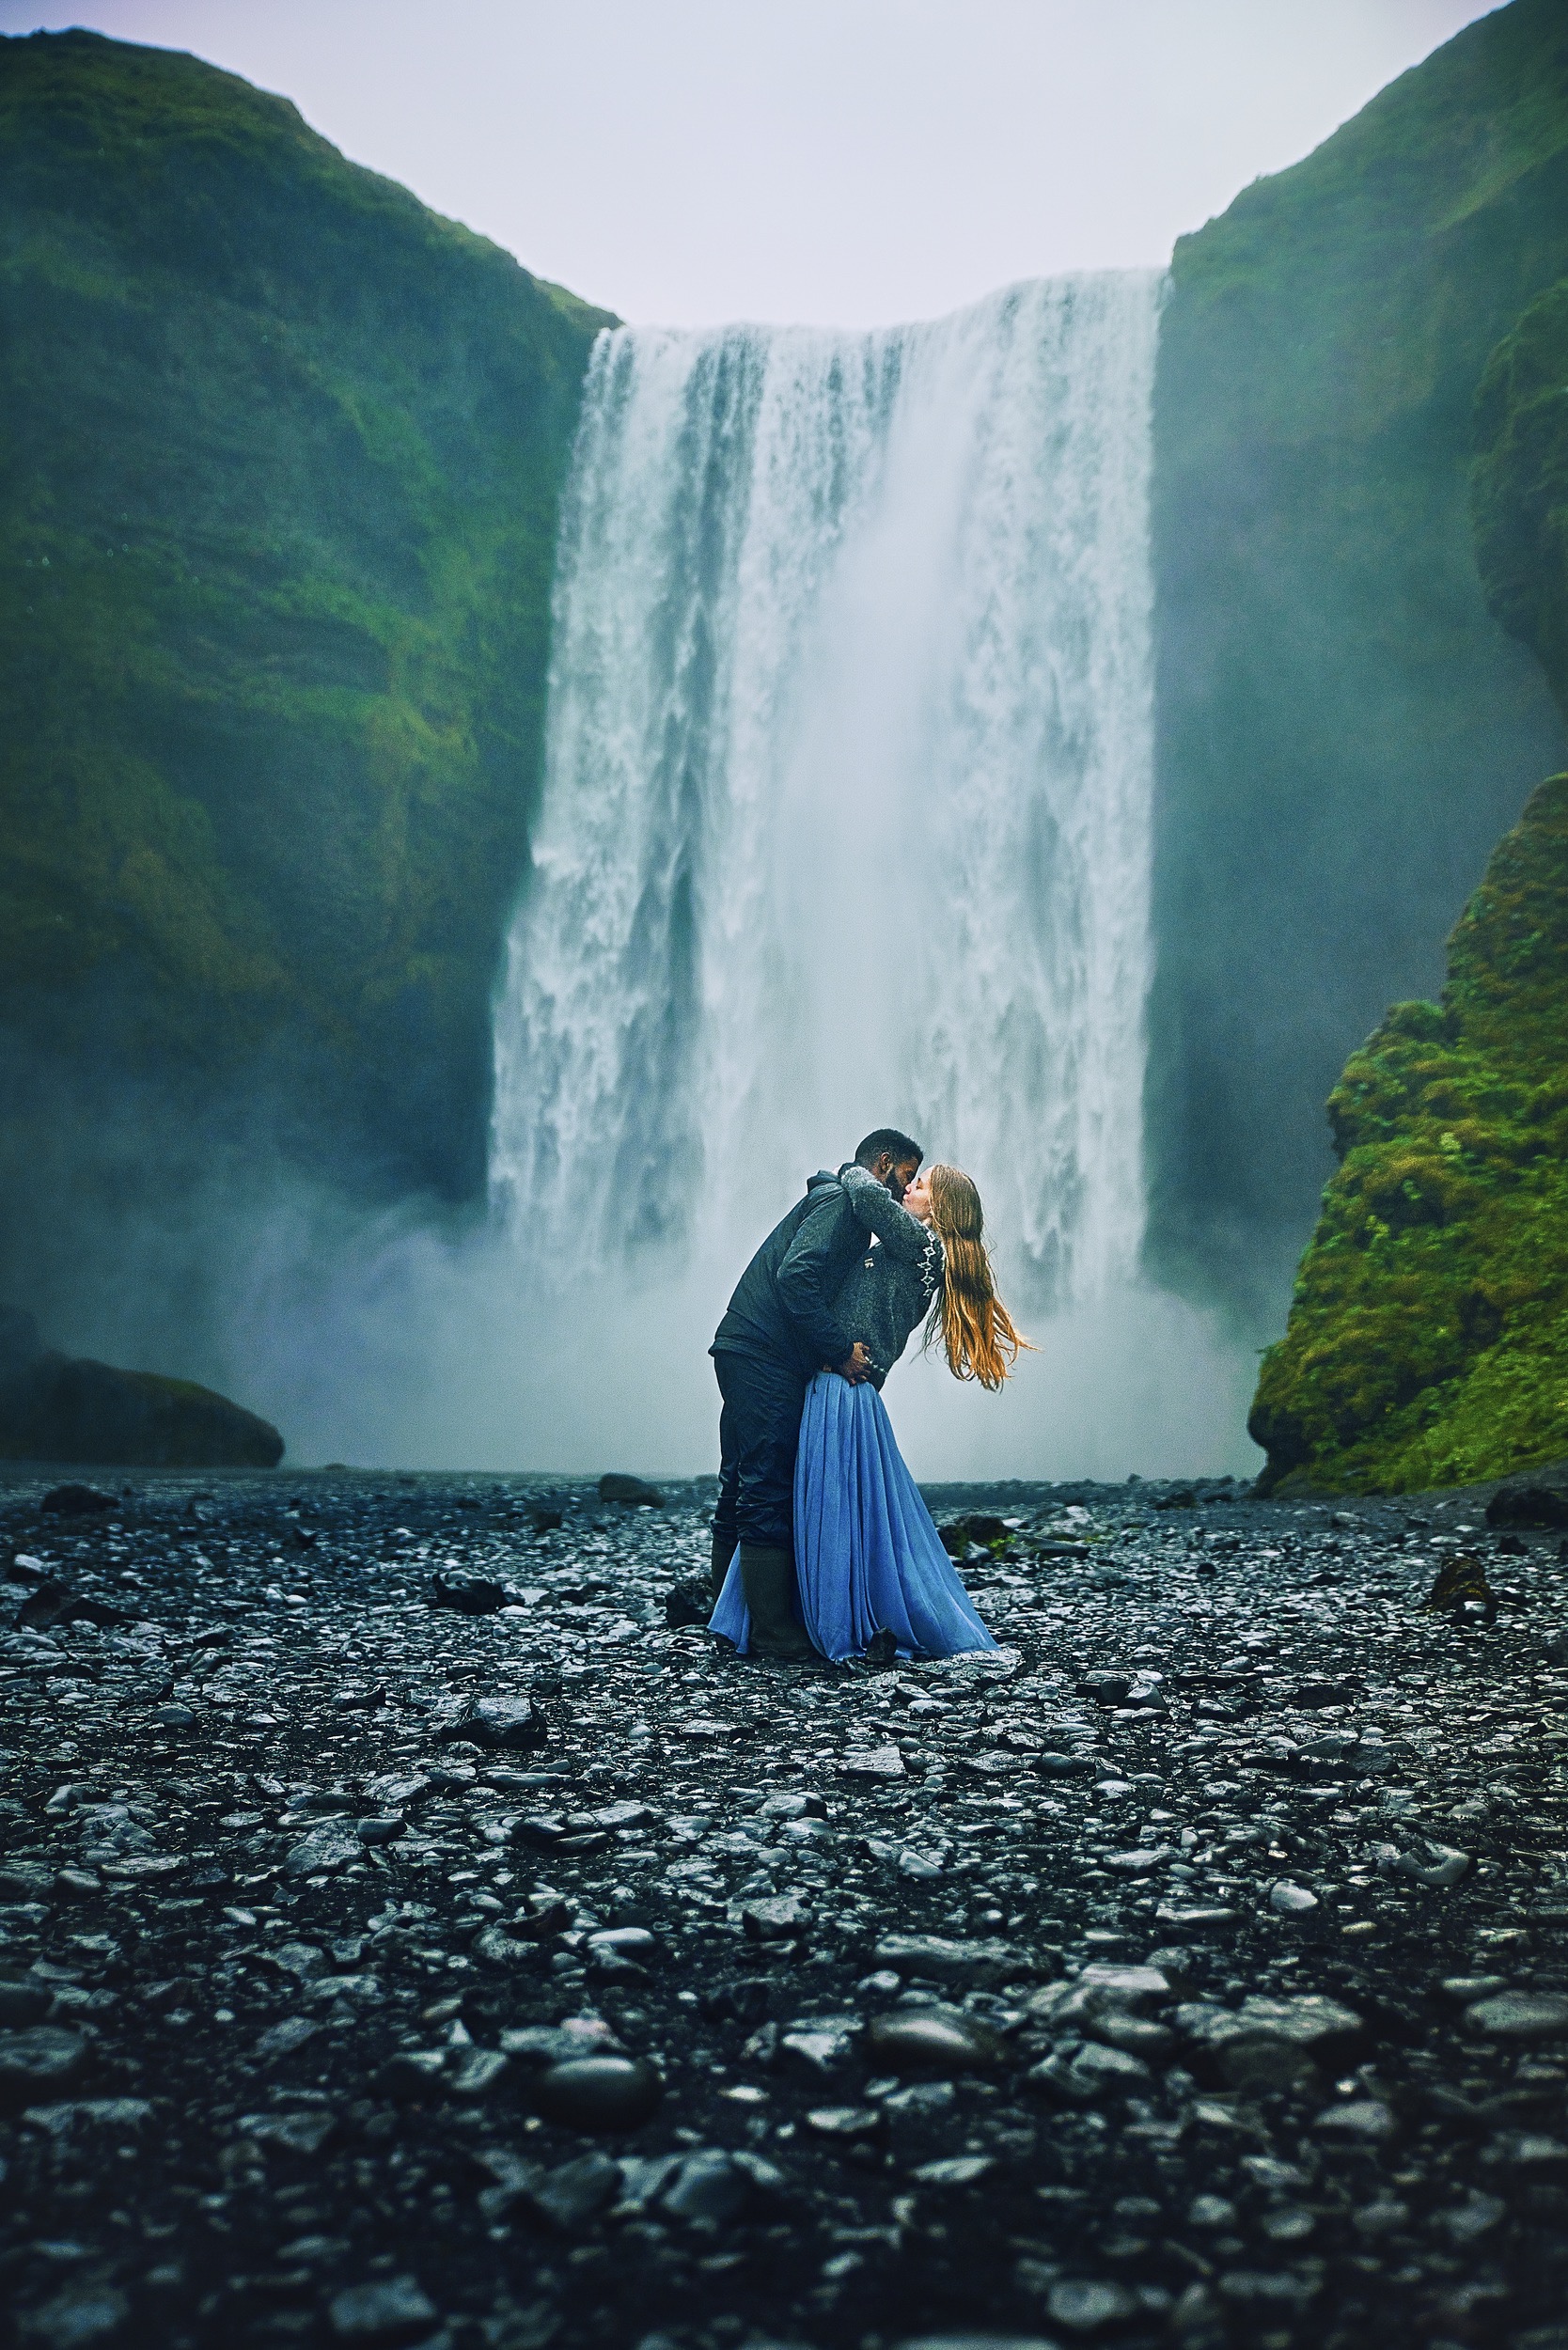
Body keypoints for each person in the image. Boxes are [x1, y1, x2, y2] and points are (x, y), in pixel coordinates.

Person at [712, 1161, 1027, 1661]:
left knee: (828, 1509)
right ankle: (805, 1616)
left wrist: (850, 1171)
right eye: (908, 1179)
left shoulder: (922, 1245)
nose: (906, 1187)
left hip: (843, 1391)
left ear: (941, 1210)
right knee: (829, 1509)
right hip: (841, 1388)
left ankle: (822, 1621)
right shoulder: (924, 1253)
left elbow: (867, 1198)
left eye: (919, 1185)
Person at [708, 1129, 924, 1661]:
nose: (904, 1193)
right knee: (766, 1486)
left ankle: (726, 1621)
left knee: (740, 1484)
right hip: (763, 1356)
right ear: (882, 1163)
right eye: (905, 1178)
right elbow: (795, 1278)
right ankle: (773, 1635)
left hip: (745, 1348)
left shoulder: (836, 1201)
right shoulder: (841, 1208)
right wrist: (839, 1348)